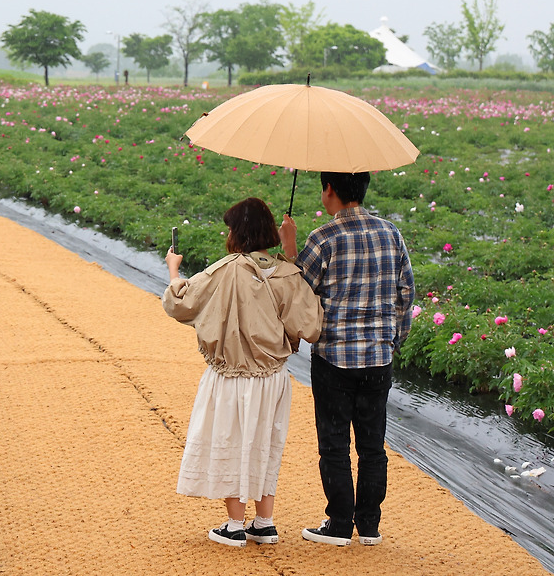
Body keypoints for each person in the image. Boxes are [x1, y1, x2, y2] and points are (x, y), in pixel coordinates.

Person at [164, 197, 323, 548]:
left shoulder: (225, 270)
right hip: (274, 377)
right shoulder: (287, 273)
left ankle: (235, 525)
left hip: (232, 376)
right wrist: (290, 254)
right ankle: (264, 523)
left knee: (231, 441)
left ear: (237, 233)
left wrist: (174, 271)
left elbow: (180, 304)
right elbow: (310, 326)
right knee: (266, 442)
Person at [279, 171, 415, 548]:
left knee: (334, 443)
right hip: (378, 359)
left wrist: (290, 248)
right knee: (373, 446)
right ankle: (369, 526)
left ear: (329, 190)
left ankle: (339, 524)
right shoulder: (391, 233)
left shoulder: (322, 238)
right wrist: (391, 342)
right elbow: (406, 294)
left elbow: (298, 293)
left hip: (333, 358)